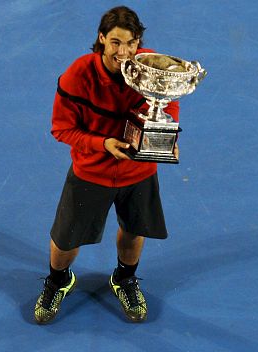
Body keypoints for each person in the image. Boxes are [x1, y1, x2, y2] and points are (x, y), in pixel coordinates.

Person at [34, 5, 179, 324]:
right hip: (91, 171)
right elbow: (61, 129)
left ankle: (125, 279)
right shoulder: (78, 75)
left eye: (131, 43)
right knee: (65, 241)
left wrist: (164, 139)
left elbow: (168, 104)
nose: (124, 52)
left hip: (138, 171)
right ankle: (58, 281)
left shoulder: (151, 67)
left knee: (132, 231)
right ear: (101, 39)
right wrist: (103, 145)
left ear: (138, 41)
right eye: (115, 42)